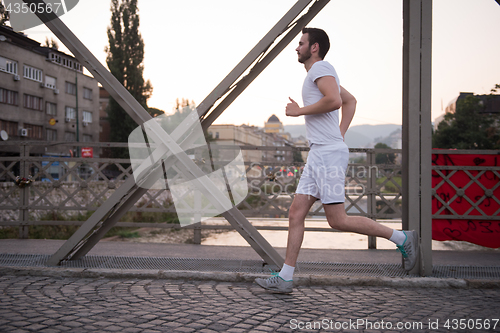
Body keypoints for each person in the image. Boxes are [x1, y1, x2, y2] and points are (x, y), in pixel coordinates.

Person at [255, 27, 419, 294]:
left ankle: (402, 238)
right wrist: (339, 133)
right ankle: (285, 277)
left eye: (301, 43)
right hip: (321, 151)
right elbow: (350, 101)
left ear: (314, 47)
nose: (297, 48)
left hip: (328, 154)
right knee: (296, 213)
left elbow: (334, 101)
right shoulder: (318, 73)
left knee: (338, 220)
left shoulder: (321, 69)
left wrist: (299, 112)